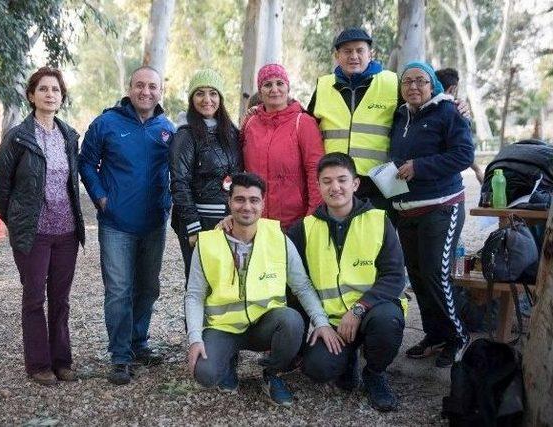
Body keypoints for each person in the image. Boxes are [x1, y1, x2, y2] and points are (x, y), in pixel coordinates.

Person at [185, 173, 341, 407]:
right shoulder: (208, 243)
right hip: (224, 329)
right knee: (205, 374)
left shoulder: (279, 239)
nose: (247, 206)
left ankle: (272, 373)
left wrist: (321, 322)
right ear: (229, 203)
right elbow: (194, 295)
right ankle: (228, 361)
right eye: (239, 199)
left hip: (264, 327)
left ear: (263, 203)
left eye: (254, 200)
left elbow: (302, 286)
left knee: (292, 320)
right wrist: (195, 339)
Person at [78, 66, 175, 385]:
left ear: (161, 91)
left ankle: (138, 342)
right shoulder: (107, 123)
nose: (145, 91)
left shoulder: (167, 128)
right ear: (129, 88)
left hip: (153, 222)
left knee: (148, 287)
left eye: (152, 86)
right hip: (116, 223)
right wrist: (101, 198)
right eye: (139, 86)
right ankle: (120, 356)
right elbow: (86, 162)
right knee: (119, 290)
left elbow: (179, 169)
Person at [288, 153, 406, 412]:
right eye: (326, 181)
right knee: (317, 368)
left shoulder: (378, 220)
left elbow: (395, 276)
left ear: (355, 184)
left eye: (342, 180)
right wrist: (228, 225)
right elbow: (290, 280)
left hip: (374, 311)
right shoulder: (304, 228)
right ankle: (347, 357)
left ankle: (375, 373)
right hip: (331, 321)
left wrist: (359, 308)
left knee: (388, 322)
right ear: (318, 186)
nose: (335, 187)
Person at [0, 66, 85, 385]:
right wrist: (17, 220)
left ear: (62, 97)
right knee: (34, 298)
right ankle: (38, 365)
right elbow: (1, 186)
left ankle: (62, 361)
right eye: (43, 89)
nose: (50, 95)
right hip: (33, 233)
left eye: (55, 90)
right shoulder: (17, 137)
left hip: (67, 231)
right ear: (32, 96)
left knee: (61, 299)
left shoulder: (69, 136)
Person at [309, 29, 470, 213]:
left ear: (371, 54)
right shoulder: (323, 85)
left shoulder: (392, 82)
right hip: (337, 182)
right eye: (347, 51)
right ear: (337, 56)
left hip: (380, 182)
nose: (354, 56)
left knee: (378, 239)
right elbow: (306, 127)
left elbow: (432, 103)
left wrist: (457, 106)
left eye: (359, 50)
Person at [390, 62, 474, 368]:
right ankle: (434, 335)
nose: (413, 87)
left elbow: (464, 155)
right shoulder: (400, 115)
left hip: (442, 206)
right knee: (419, 277)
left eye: (420, 81)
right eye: (407, 82)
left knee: (437, 275)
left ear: (432, 85)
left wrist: (419, 167)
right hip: (407, 211)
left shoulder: (448, 112)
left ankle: (458, 336)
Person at [169, 69, 243, 279]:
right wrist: (193, 227)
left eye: (213, 93)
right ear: (192, 99)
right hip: (200, 221)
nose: (207, 99)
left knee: (228, 281)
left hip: (229, 219)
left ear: (220, 97)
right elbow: (179, 183)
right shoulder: (185, 134)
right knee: (200, 283)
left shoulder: (231, 132)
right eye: (200, 93)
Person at [242, 63, 324, 230]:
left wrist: (313, 216)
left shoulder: (303, 123)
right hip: (255, 221)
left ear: (288, 88)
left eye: (280, 83)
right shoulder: (251, 123)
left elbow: (315, 171)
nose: (274, 89)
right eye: (267, 84)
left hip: (293, 222)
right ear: (260, 90)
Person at [435, 67, 484, 184]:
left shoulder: (421, 108)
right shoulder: (457, 110)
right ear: (453, 88)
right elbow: (463, 149)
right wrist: (477, 170)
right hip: (447, 184)